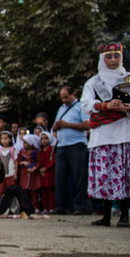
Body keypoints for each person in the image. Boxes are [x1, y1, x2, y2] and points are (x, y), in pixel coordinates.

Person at [81, 43, 130, 227]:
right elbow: (85, 104)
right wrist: (104, 105)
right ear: (102, 58)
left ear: (121, 57)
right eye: (108, 56)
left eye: (116, 56)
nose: (112, 60)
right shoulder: (94, 82)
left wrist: (129, 107)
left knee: (125, 174)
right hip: (103, 134)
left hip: (125, 131)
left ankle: (125, 216)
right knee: (105, 175)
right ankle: (106, 215)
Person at [52, 85, 90, 214]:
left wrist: (66, 125)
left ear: (73, 94)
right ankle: (60, 206)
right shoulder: (61, 108)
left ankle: (80, 206)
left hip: (77, 145)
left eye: (66, 97)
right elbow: (56, 126)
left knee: (79, 178)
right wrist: (56, 128)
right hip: (61, 146)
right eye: (62, 98)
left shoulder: (81, 107)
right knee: (60, 178)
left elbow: (87, 124)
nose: (64, 100)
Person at [17, 133, 42, 214]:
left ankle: (35, 207)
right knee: (24, 192)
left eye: (26, 143)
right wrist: (22, 163)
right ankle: (26, 207)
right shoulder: (21, 152)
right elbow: (18, 161)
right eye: (23, 143)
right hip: (24, 174)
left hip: (33, 174)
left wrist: (34, 168)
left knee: (34, 192)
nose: (24, 145)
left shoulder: (35, 152)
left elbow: (39, 162)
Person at [38, 131, 56, 214]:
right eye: (41, 139)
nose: (43, 140)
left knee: (51, 191)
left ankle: (52, 207)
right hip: (41, 173)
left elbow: (53, 161)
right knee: (43, 191)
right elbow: (39, 161)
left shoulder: (52, 150)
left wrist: (45, 168)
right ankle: (45, 208)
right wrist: (40, 169)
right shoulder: (40, 151)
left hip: (50, 173)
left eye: (46, 138)